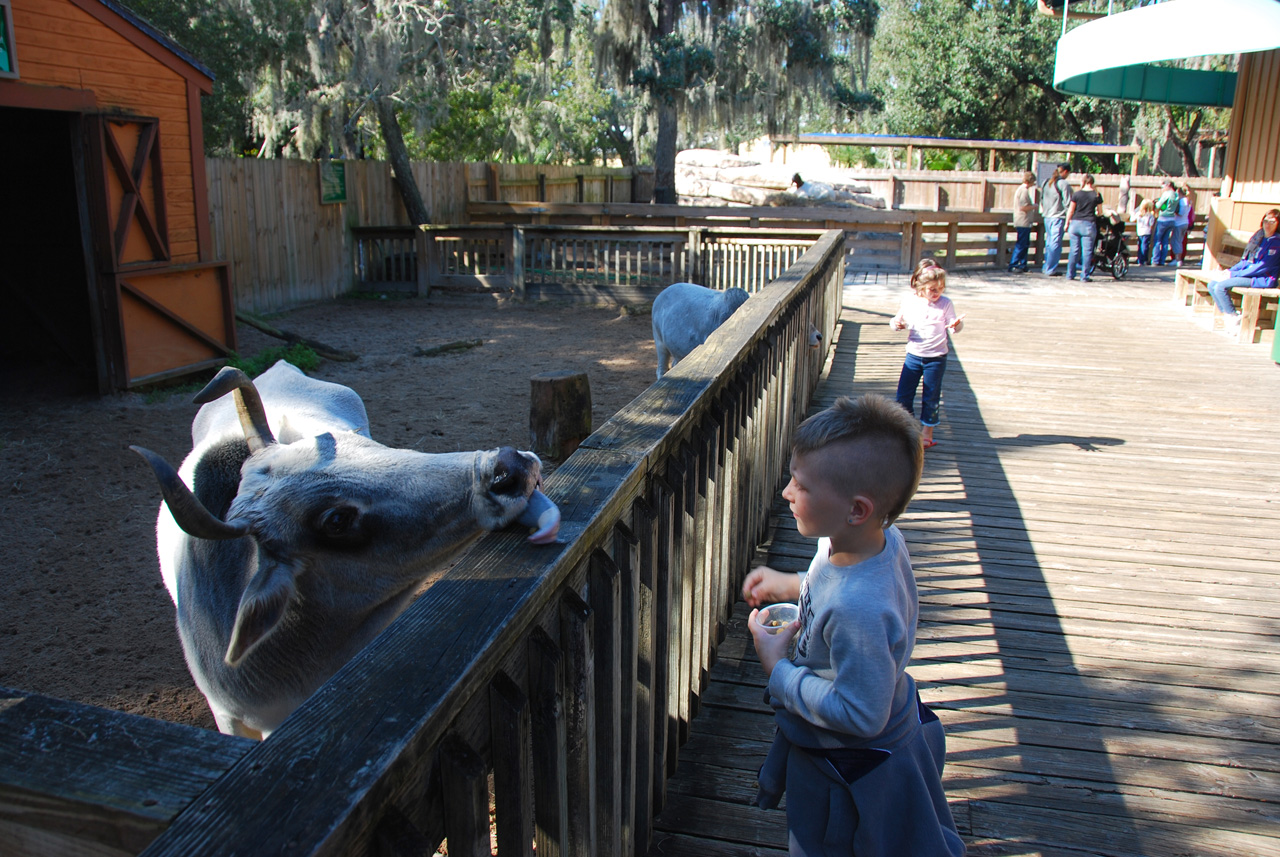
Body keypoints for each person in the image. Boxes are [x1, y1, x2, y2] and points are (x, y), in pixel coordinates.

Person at [742, 393, 965, 857]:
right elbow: (833, 587)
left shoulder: (859, 609)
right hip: (858, 731)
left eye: (800, 485)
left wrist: (779, 671)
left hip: (845, 766)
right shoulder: (866, 541)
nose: (786, 492)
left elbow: (862, 715)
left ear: (857, 509)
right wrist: (790, 584)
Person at [890, 259, 963, 449]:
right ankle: (906, 430)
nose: (937, 292)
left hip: (936, 358)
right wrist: (896, 325)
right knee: (904, 395)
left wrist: (955, 325)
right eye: (932, 289)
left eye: (941, 288)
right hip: (913, 356)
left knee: (931, 396)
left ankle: (927, 434)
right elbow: (895, 321)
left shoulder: (945, 304)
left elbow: (954, 324)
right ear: (920, 287)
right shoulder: (910, 302)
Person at [1207, 209, 1280, 336]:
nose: (1267, 224)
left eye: (1272, 222)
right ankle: (1229, 316)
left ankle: (1233, 317)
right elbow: (1246, 261)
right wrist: (1229, 271)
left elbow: (1262, 267)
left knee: (1220, 286)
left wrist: (1234, 275)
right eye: (1266, 221)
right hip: (1250, 274)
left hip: (1263, 278)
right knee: (1212, 284)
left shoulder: (1276, 243)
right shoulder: (1260, 238)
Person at [1064, 174, 1103, 282]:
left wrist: (1067, 223)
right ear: (1092, 182)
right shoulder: (1096, 195)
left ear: (1084, 182)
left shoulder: (1077, 194)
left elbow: (1071, 210)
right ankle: (1084, 276)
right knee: (1087, 251)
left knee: (1074, 250)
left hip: (1075, 223)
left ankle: (1070, 274)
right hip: (1088, 224)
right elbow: (1100, 212)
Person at [1040, 163, 1072, 276]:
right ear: (1065, 172)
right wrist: (1070, 218)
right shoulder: (1063, 184)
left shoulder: (1046, 182)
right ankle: (1050, 268)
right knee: (1055, 243)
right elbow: (1068, 203)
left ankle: (1046, 266)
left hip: (1047, 216)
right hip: (1058, 216)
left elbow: (1041, 199)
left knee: (1049, 243)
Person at [1009, 171, 1037, 273]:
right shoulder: (1023, 191)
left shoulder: (1022, 190)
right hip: (1023, 221)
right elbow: (1023, 207)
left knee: (1025, 244)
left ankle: (1023, 264)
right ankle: (1013, 264)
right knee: (1021, 244)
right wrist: (1034, 206)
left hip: (1025, 221)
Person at [1152, 179, 1180, 265]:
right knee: (1165, 241)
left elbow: (1158, 205)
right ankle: (1162, 261)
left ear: (1168, 185)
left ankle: (1155, 261)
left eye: (1163, 186)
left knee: (1157, 240)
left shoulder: (1167, 194)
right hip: (1172, 219)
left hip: (1163, 219)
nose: (1162, 189)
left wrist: (1156, 204)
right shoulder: (1176, 194)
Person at [1175, 183, 1196, 265]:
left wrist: (1176, 212)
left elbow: (1181, 213)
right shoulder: (1189, 201)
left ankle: (1178, 259)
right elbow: (1193, 214)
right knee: (1182, 241)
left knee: (1178, 241)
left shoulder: (1182, 201)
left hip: (1179, 222)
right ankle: (1180, 258)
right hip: (1186, 222)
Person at [1133, 198, 1156, 265]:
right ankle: (1144, 259)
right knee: (1145, 246)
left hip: (1139, 231)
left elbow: (1132, 219)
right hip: (1147, 231)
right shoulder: (1150, 215)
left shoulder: (1138, 214)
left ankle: (1140, 259)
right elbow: (1151, 224)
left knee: (1140, 245)